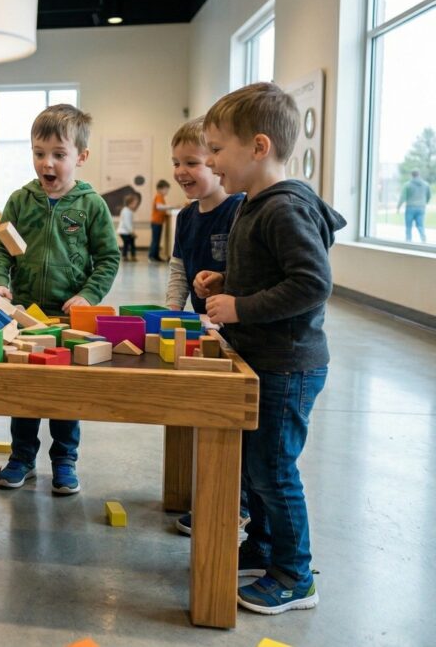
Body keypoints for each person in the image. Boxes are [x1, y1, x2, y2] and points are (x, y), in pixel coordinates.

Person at [195, 82, 346, 615]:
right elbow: (268, 272)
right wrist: (226, 281)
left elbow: (310, 284)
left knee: (274, 471)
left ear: (258, 147)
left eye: (216, 149)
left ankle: (295, 573)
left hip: (288, 365)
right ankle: (260, 548)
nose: (210, 161)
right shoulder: (253, 204)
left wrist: (239, 308)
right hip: (263, 359)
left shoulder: (284, 209)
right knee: (255, 465)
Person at [0, 104, 120, 495]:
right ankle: (22, 457)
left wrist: (88, 295)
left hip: (67, 319)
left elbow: (108, 258)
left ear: (81, 157)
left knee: (65, 392)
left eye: (59, 155)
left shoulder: (91, 205)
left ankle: (64, 460)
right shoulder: (20, 200)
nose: (47, 163)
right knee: (24, 389)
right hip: (24, 313)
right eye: (39, 153)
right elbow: (0, 250)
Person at [163, 115, 248, 538]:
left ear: (215, 163)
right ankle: (211, 496)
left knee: (228, 421)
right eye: (176, 162)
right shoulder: (186, 216)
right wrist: (170, 312)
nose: (181, 172)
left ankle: (234, 505)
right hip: (201, 327)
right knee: (198, 410)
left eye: (192, 162)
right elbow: (179, 269)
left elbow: (249, 272)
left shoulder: (239, 209)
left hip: (234, 328)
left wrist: (223, 283)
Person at [397, 169, 430, 242]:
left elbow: (403, 197)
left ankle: (408, 240)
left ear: (411, 175)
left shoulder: (407, 185)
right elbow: (428, 196)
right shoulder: (426, 184)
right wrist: (424, 203)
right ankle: (423, 238)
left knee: (408, 226)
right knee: (420, 225)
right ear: (419, 175)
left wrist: (398, 207)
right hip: (421, 207)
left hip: (410, 207)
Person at [148, 179, 173, 261]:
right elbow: (159, 207)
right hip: (156, 222)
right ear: (160, 189)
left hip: (158, 222)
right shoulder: (158, 196)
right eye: (166, 189)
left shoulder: (160, 197)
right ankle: (152, 256)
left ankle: (156, 255)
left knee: (157, 240)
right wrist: (170, 206)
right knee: (155, 240)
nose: (167, 192)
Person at [117, 193, 139, 261]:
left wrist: (132, 231)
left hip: (127, 231)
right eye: (134, 203)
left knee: (131, 242)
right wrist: (132, 232)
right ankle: (125, 256)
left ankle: (132, 256)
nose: (135, 205)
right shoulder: (126, 211)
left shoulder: (129, 211)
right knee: (127, 243)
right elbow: (127, 223)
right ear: (130, 203)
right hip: (124, 231)